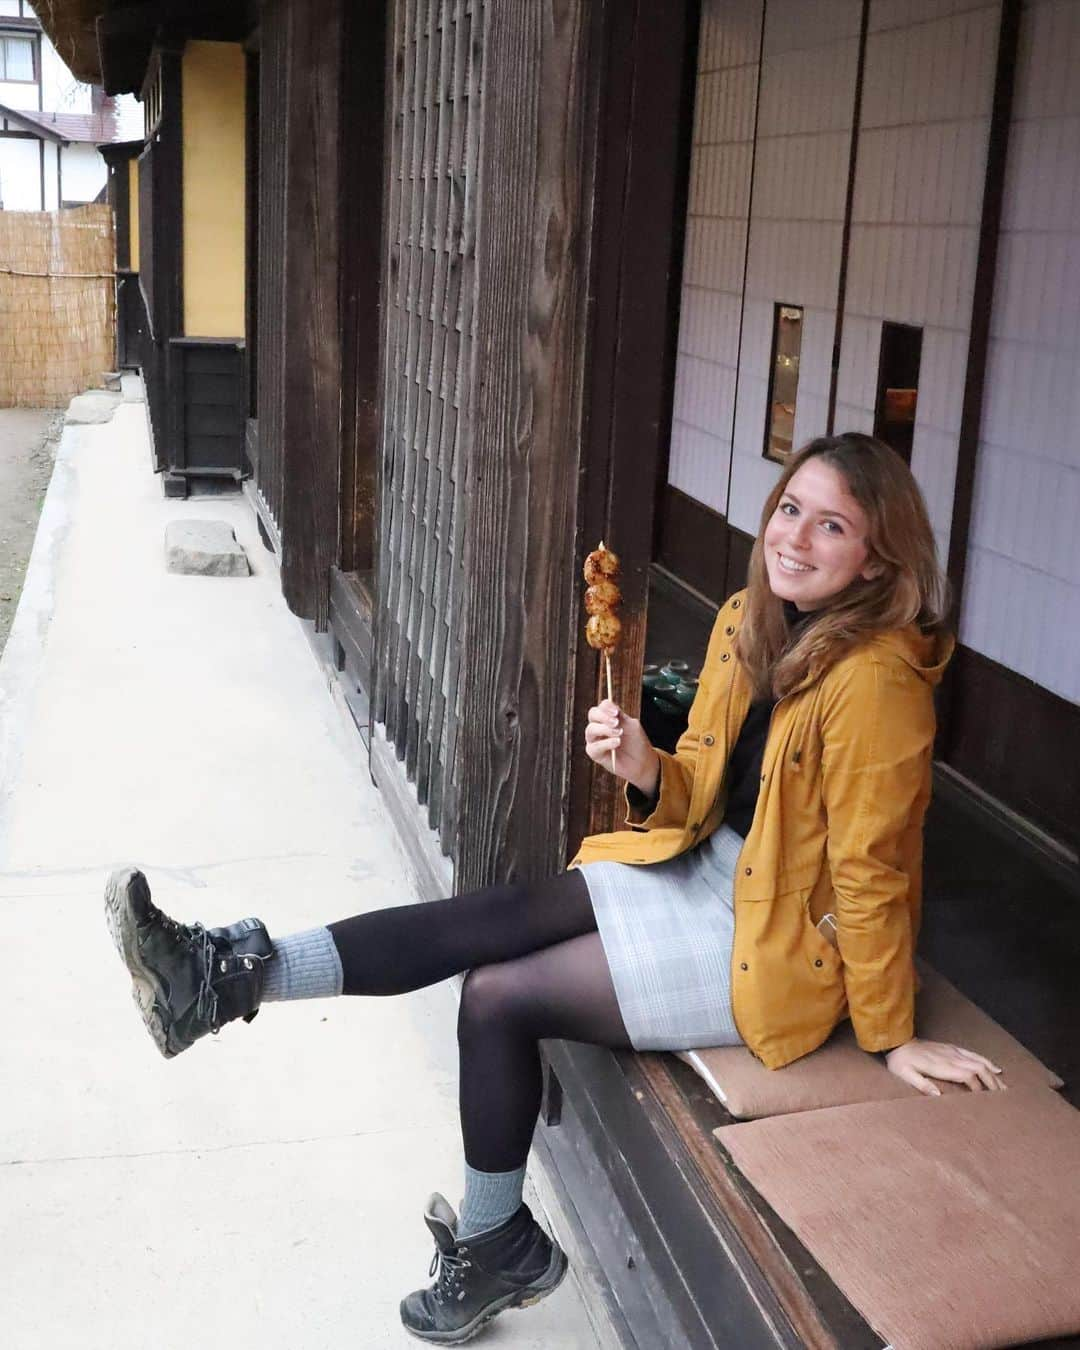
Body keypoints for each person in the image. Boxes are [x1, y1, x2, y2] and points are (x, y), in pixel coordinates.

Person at [105, 432, 1003, 1346]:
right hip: (706, 868)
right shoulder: (750, 616)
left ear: (877, 558)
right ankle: (228, 975)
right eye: (790, 509)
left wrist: (890, 1036)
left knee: (497, 996)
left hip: (780, 945)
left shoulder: (881, 683)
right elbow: (701, 772)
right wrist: (647, 763)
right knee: (497, 915)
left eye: (834, 526)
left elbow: (872, 871)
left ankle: (495, 1241)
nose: (797, 538)